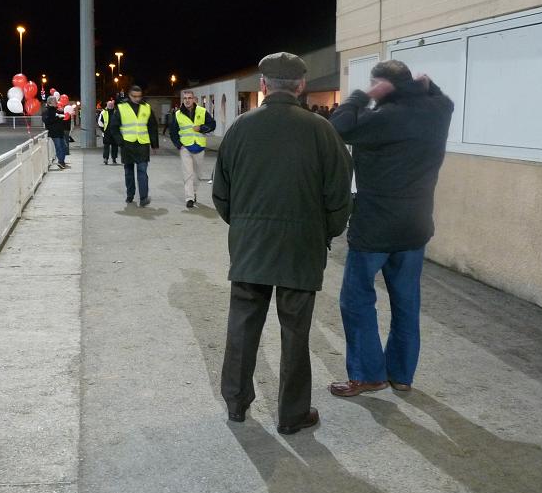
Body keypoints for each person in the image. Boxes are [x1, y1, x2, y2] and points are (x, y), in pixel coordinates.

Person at [212, 52, 352, 434]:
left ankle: (237, 405)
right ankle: (292, 415)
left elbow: (221, 194)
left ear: (263, 85)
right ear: (301, 85)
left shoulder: (240, 129)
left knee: (242, 327)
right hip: (301, 249)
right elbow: (339, 197)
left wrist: (243, 227)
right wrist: (325, 233)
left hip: (250, 248)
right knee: (295, 333)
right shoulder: (323, 131)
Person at [328, 60, 453, 397]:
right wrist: (428, 86)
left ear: (382, 86)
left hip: (375, 228)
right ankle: (401, 374)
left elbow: (336, 127)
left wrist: (360, 95)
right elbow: (443, 98)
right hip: (415, 227)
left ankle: (369, 375)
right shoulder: (439, 109)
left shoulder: (381, 119)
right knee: (406, 302)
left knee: (356, 301)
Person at [106, 85, 160, 206]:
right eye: (134, 96)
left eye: (139, 96)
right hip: (127, 144)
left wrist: (154, 144)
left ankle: (143, 198)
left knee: (142, 171)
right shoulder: (121, 108)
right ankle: (130, 195)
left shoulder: (147, 108)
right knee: (128, 172)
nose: (137, 99)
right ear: (129, 95)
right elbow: (113, 127)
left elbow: (152, 126)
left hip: (142, 144)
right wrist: (120, 142)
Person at [169, 90, 216, 208]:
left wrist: (201, 128)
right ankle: (189, 198)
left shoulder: (202, 111)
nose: (187, 100)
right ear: (183, 100)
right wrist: (179, 144)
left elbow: (212, 125)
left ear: (194, 99)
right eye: (185, 98)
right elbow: (173, 131)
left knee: (198, 174)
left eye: (189, 98)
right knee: (188, 174)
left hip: (199, 147)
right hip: (185, 147)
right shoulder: (178, 114)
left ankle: (194, 192)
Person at [42, 96, 69, 170]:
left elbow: (60, 119)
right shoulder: (46, 112)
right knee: (59, 147)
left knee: (63, 147)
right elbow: (47, 121)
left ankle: (62, 162)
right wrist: (57, 117)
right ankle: (61, 162)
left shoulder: (57, 110)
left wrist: (62, 115)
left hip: (60, 132)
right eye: (54, 101)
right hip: (54, 132)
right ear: (50, 102)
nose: (56, 102)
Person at [98, 99, 119, 165]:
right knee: (109, 146)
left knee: (112, 146)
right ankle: (108, 159)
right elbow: (100, 122)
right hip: (108, 132)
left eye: (111, 105)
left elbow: (120, 121)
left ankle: (111, 159)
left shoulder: (116, 112)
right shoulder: (104, 112)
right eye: (109, 105)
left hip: (112, 132)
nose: (110, 106)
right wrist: (103, 130)